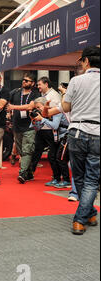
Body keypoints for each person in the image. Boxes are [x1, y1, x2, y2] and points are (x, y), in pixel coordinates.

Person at [44, 46, 100, 235]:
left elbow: (66, 106)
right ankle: (90, 212)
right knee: (91, 179)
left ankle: (79, 219)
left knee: (80, 177)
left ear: (86, 61)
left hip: (77, 131)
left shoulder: (76, 81)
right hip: (98, 133)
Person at [30, 76, 69, 187]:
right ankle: (57, 178)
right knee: (53, 157)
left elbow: (55, 125)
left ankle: (65, 180)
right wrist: (35, 121)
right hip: (57, 135)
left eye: (39, 107)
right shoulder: (45, 110)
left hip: (64, 135)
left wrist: (42, 119)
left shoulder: (55, 110)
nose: (38, 110)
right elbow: (37, 127)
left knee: (59, 158)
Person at [7, 73, 40, 183]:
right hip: (16, 126)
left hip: (29, 126)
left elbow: (30, 106)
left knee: (27, 150)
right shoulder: (16, 92)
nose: (24, 82)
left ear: (32, 83)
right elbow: (6, 99)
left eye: (27, 80)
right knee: (21, 151)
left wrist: (13, 107)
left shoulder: (35, 94)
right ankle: (29, 172)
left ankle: (22, 173)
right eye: (23, 80)